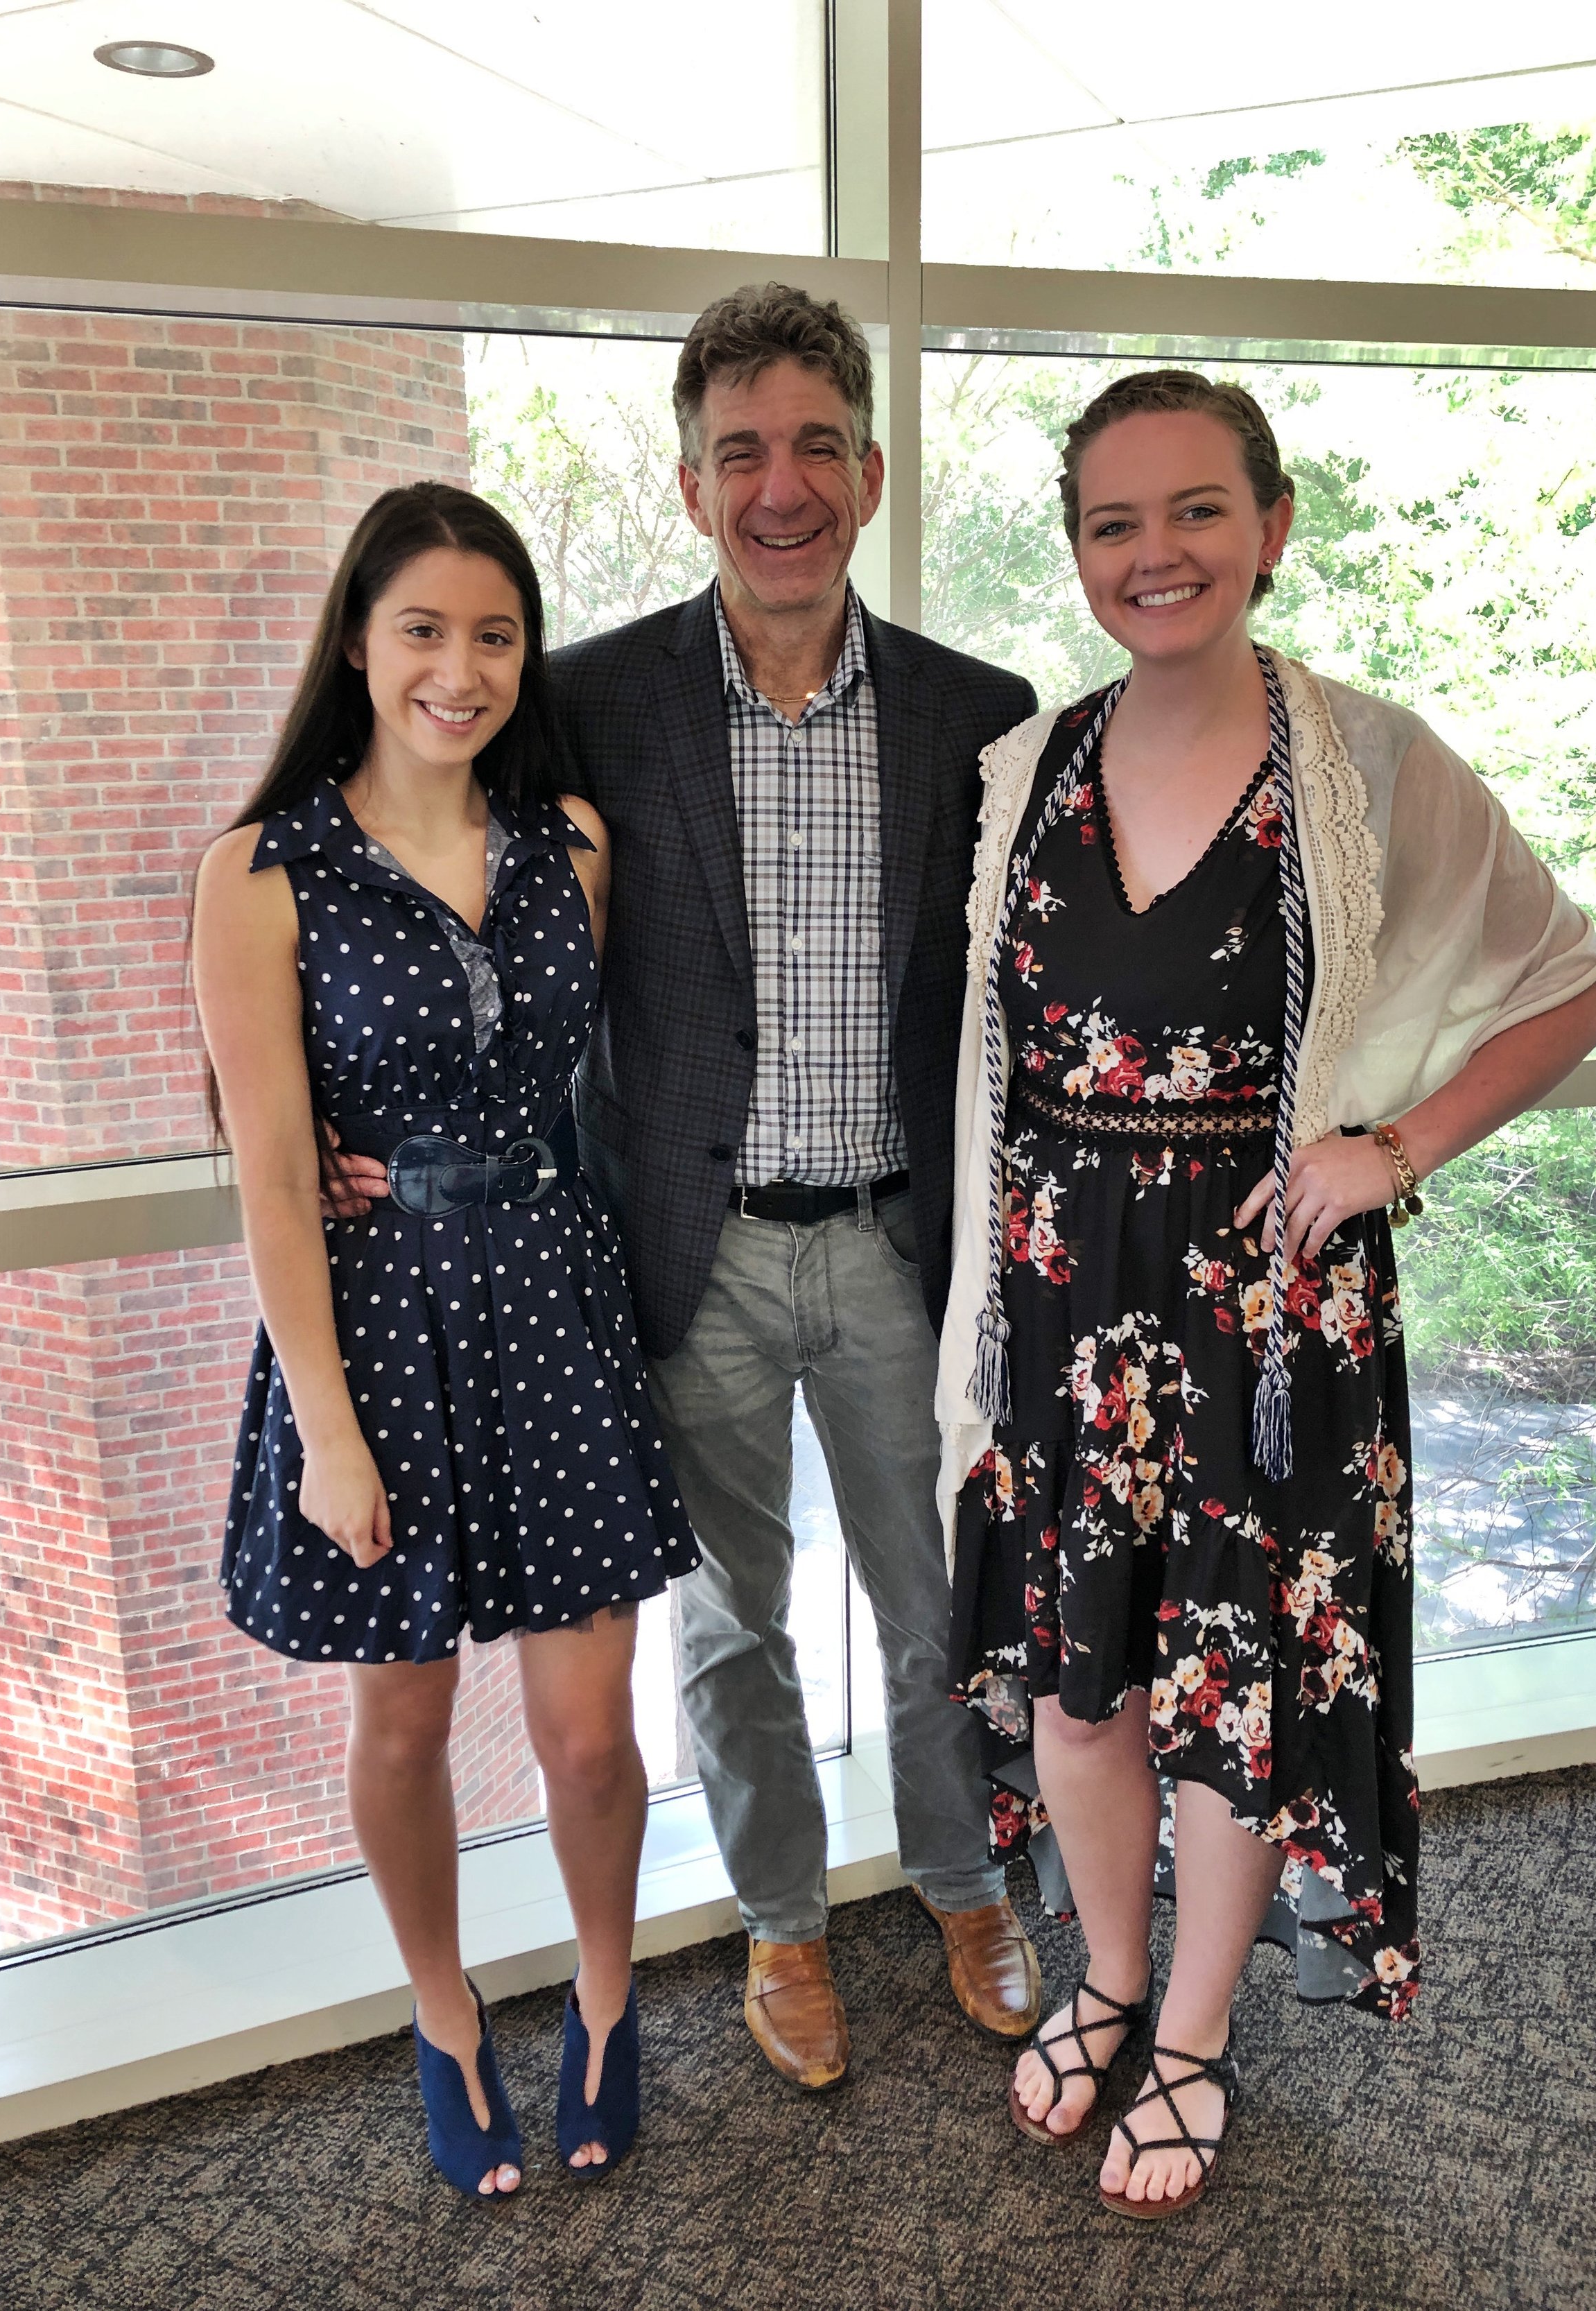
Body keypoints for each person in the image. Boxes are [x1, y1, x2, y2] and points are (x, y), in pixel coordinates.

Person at [935, 370, 1596, 2219]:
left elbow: (1572, 985)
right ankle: (1101, 1970)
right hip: (1065, 1299)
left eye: (1191, 512)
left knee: (1225, 1691)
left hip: (1267, 1315)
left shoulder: (1369, 758)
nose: (1151, 552)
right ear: (1077, 548)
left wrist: (1390, 1148)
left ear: (1269, 524)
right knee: (1082, 1690)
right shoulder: (1028, 771)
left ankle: (1190, 2033)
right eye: (1110, 521)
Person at [517, 282, 1040, 2087]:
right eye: (740, 448)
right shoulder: (584, 705)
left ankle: (967, 1882)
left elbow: (1011, 993)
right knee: (729, 1622)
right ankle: (784, 1923)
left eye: (815, 442)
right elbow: (488, 929)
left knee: (937, 1610)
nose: (780, 481)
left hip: (901, 1247)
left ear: (871, 472)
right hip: (702, 1256)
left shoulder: (985, 719)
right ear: (689, 485)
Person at [194, 481, 700, 2201]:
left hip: (551, 1305)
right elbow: (270, 1171)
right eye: (423, 628)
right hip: (376, 1334)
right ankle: (441, 2012)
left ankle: (608, 2000)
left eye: (495, 633)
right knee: (404, 1727)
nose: (460, 667)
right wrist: (327, 1430)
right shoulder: (263, 873)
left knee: (584, 1728)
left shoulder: (571, 840)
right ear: (358, 638)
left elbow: (588, 1080)